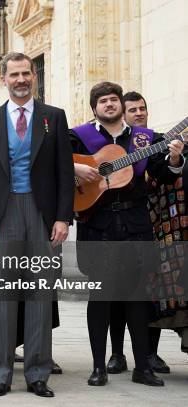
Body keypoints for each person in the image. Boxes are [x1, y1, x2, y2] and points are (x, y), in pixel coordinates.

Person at [0, 52, 74, 398]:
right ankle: (1, 373)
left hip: (42, 213)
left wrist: (63, 217)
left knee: (41, 293)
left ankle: (37, 373)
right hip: (3, 215)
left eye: (26, 73)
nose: (20, 80)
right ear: (4, 79)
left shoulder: (54, 118)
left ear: (34, 76)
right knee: (2, 295)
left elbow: (64, 173)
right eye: (13, 74)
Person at [71, 81, 184, 387]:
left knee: (139, 298)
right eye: (102, 101)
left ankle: (142, 367)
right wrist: (76, 169)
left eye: (113, 100)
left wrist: (174, 159)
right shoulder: (79, 137)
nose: (109, 104)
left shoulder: (145, 138)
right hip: (98, 226)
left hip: (135, 224)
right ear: (94, 108)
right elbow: (54, 163)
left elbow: (162, 174)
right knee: (101, 298)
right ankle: (98, 367)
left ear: (121, 105)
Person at [106, 91, 171, 375]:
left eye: (142, 108)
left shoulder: (153, 141)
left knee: (148, 294)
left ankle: (149, 354)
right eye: (133, 109)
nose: (139, 113)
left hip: (153, 224)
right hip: (121, 225)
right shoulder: (113, 144)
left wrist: (175, 157)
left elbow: (167, 173)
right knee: (117, 295)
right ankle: (117, 353)